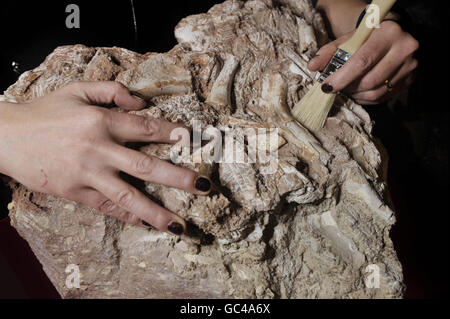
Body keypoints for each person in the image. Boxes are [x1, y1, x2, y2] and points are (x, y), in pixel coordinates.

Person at [0, 0, 419, 236]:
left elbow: (326, 4)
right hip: (84, 211)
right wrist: (8, 132)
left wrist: (374, 30)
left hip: (335, 156)